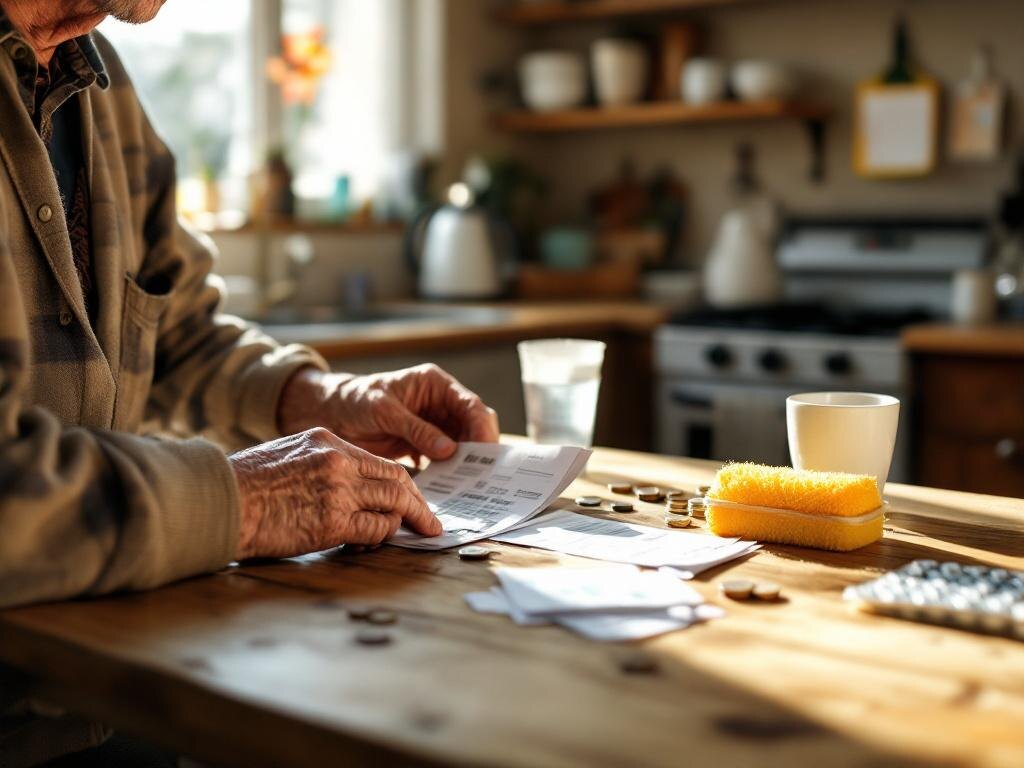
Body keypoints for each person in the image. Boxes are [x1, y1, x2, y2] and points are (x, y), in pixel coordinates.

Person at [0, 1, 499, 762]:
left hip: (100, 694)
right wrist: (245, 502)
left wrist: (321, 397)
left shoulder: (98, 81)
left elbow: (174, 329)